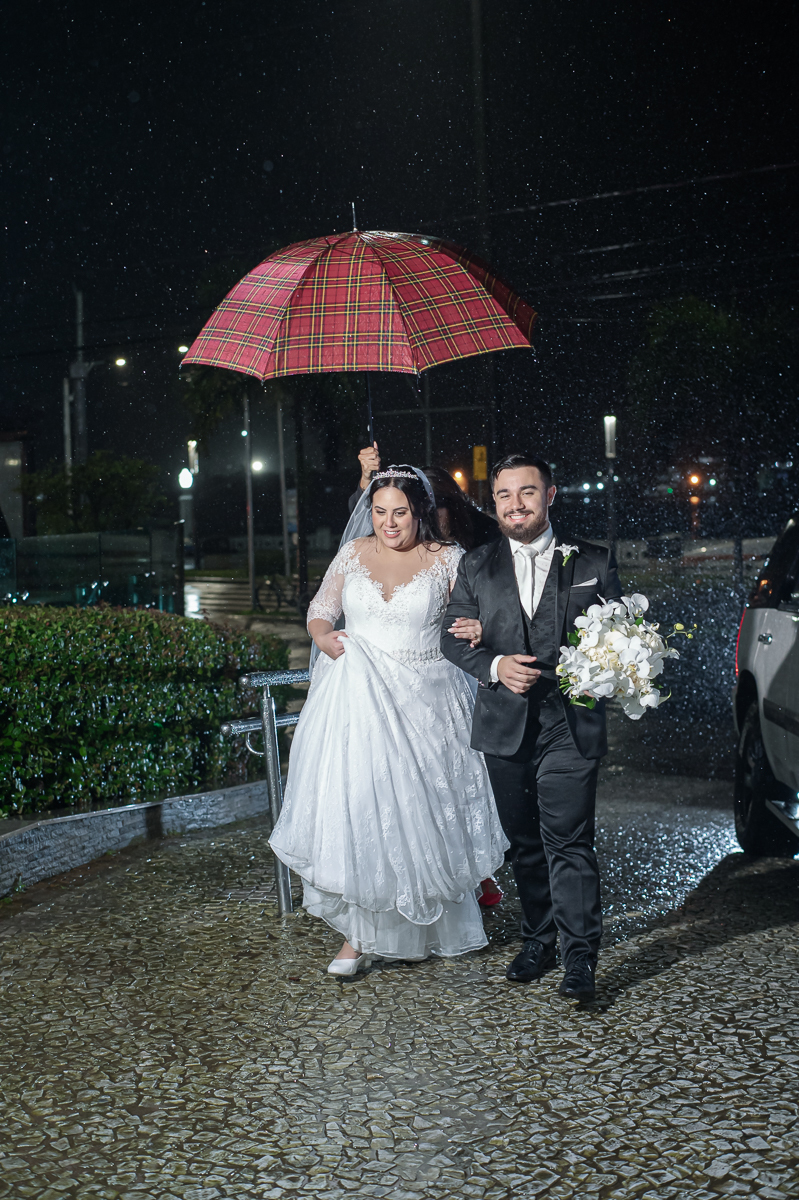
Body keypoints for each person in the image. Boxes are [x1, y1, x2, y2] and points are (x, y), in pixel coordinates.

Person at [269, 466, 508, 976]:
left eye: (400, 512)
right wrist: (322, 636)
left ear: (420, 511)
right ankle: (359, 936)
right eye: (379, 512)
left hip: (429, 697)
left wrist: (476, 625)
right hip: (357, 698)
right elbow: (321, 608)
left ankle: (439, 921)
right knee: (364, 808)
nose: (389, 523)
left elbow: (485, 614)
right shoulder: (353, 553)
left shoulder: (448, 560)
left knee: (422, 812)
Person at [440, 452, 622, 1002]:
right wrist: (495, 664)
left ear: (550, 495)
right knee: (524, 842)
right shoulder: (476, 565)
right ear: (493, 502)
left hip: (570, 722)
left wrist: (606, 666)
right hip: (504, 725)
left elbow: (623, 636)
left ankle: (579, 957)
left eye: (526, 492)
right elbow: (450, 638)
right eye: (503, 496)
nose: (515, 505)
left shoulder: (593, 561)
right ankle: (538, 939)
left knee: (569, 840)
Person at [350, 443, 499, 550]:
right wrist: (367, 479)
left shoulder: (487, 538)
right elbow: (361, 515)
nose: (424, 520)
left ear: (451, 506)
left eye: (431, 510)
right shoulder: (407, 541)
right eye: (416, 511)